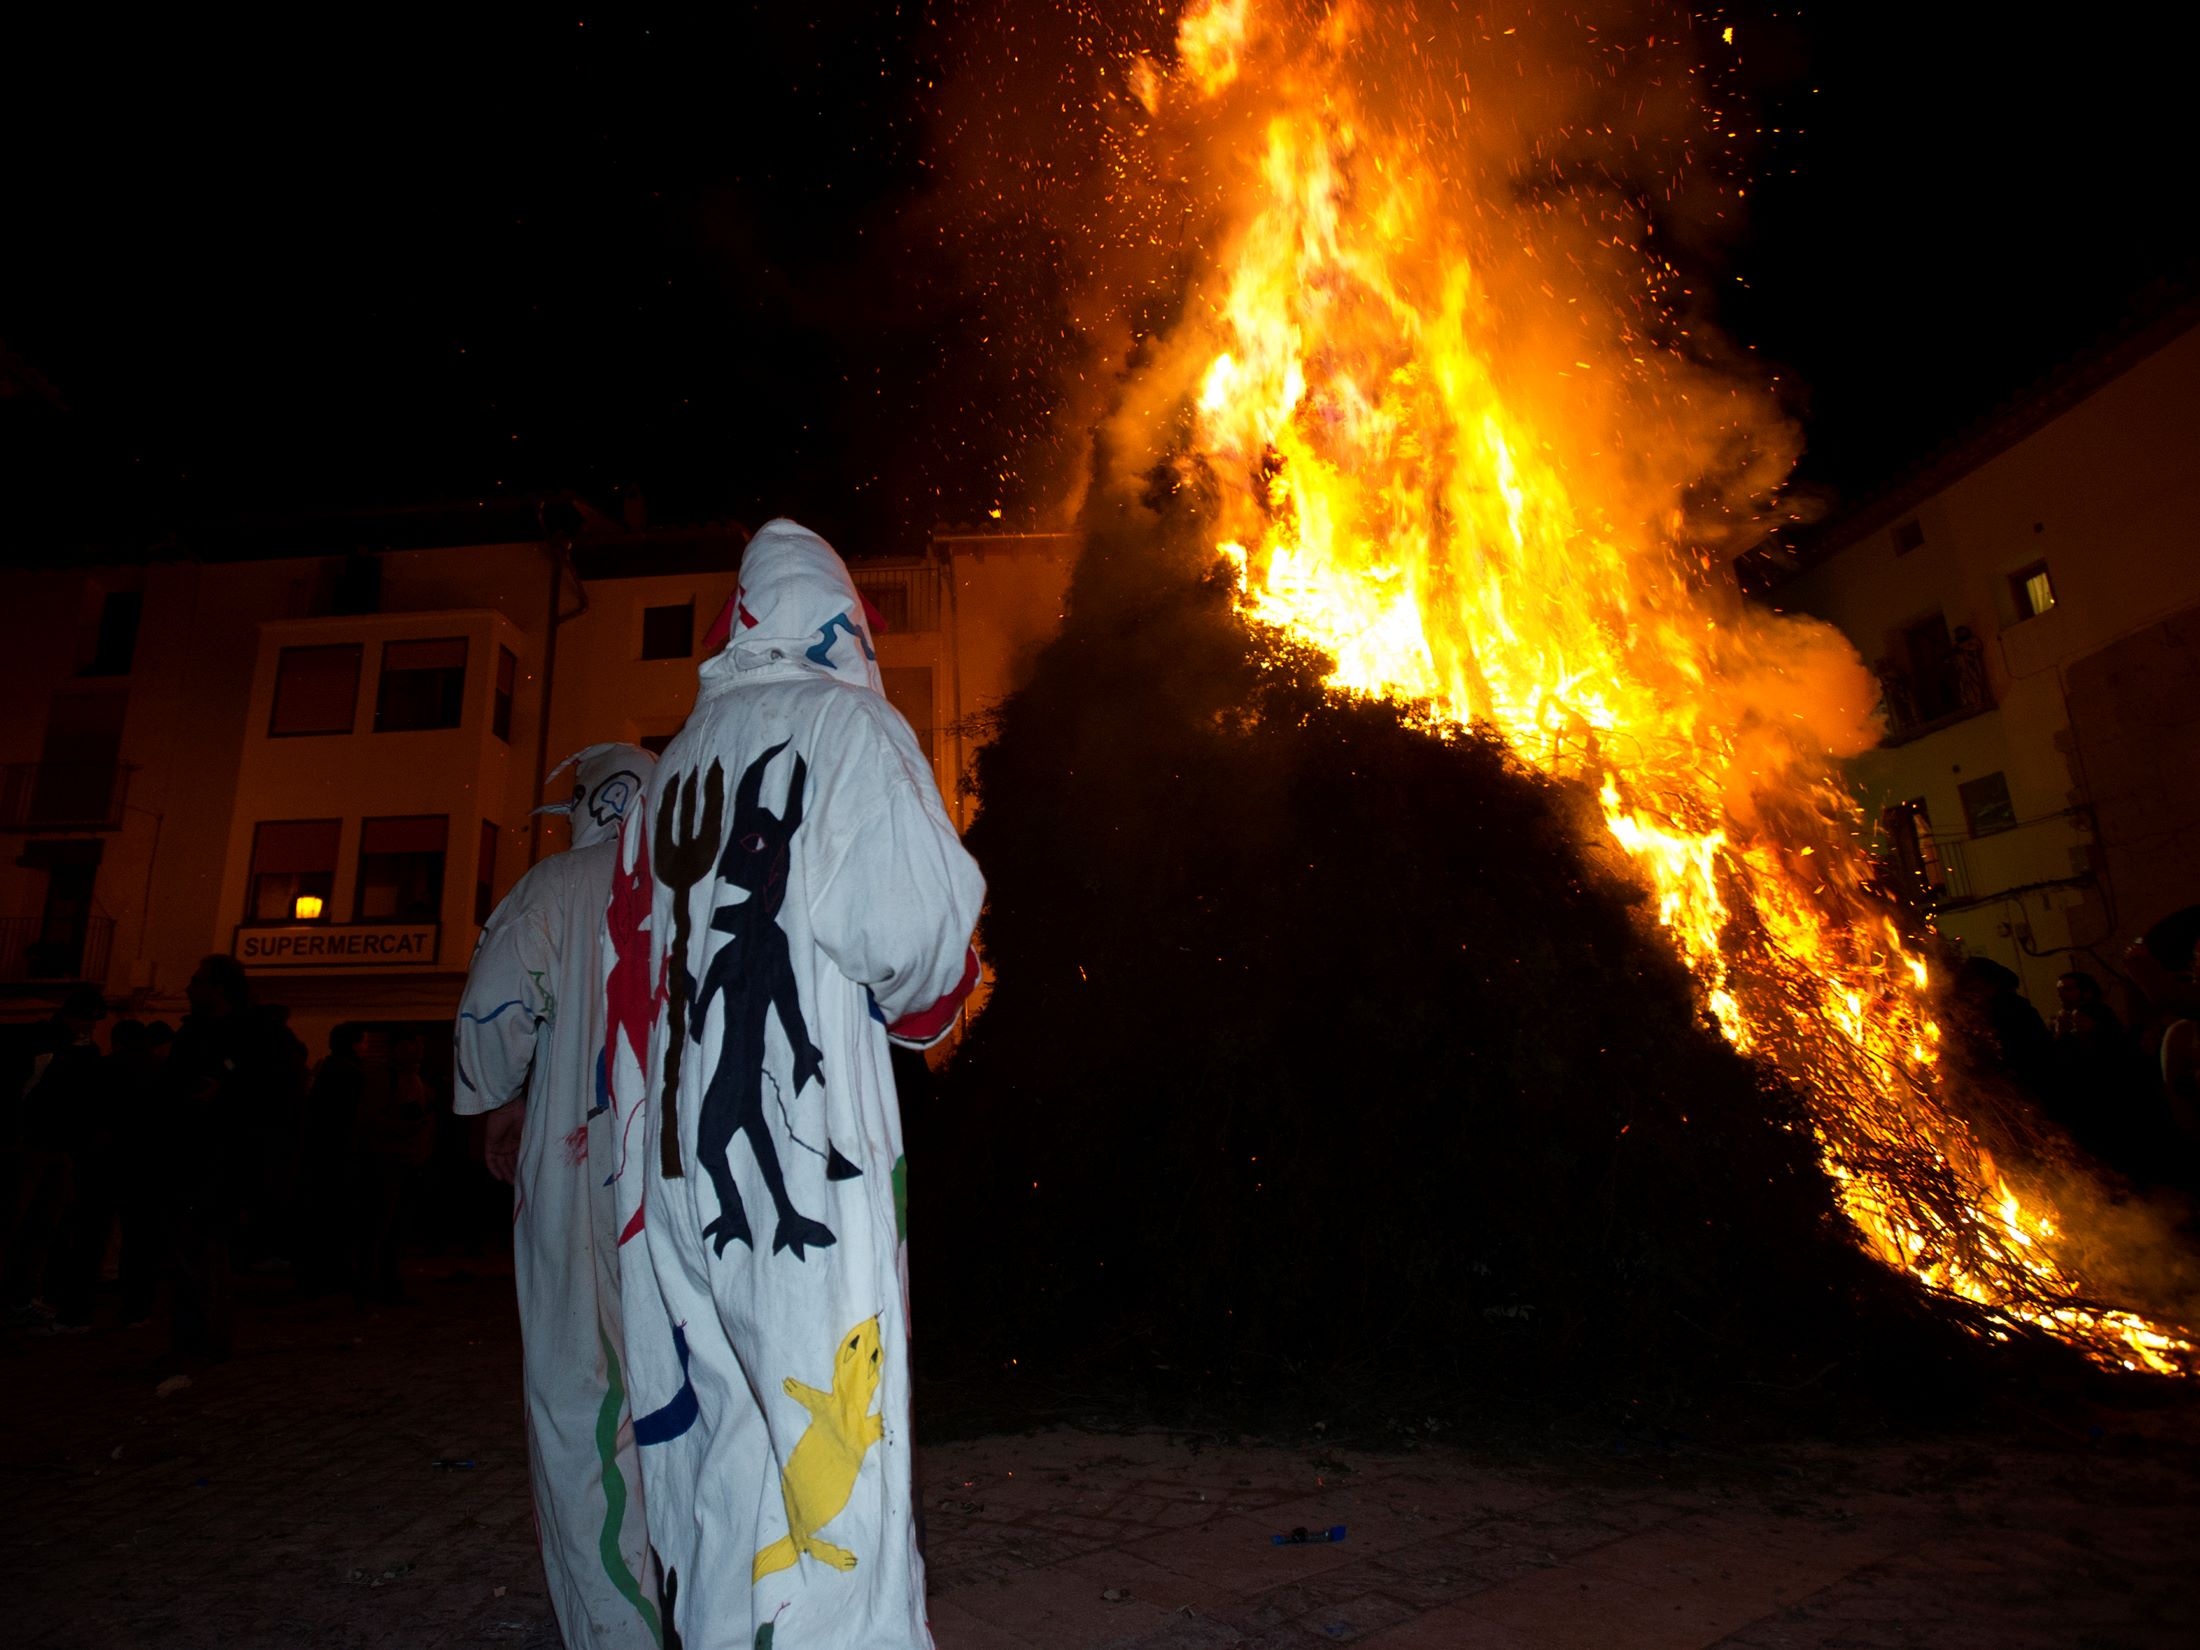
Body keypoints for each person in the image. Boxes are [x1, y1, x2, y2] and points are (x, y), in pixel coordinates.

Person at [612, 519, 983, 1650]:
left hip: (669, 1172)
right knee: (836, 1476)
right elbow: (915, 939)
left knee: (733, 1466)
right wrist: (951, 991)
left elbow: (630, 980)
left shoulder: (667, 766)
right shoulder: (851, 730)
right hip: (799, 1181)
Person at [456, 742, 661, 1650]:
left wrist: (497, 1104)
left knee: (585, 1402)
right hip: (688, 1187)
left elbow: (496, 1016)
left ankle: (619, 1627)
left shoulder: (551, 888)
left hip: (579, 1176)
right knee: (698, 1401)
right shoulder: (698, 886)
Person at [3, 985, 107, 1330]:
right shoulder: (45, 1044)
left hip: (55, 1146)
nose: (88, 1028)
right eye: (86, 1020)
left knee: (41, 1225)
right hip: (34, 1145)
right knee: (23, 1222)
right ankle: (17, 1297)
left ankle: (21, 1297)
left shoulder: (78, 1049)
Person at [297, 1023, 366, 1296]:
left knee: (324, 1217)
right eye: (363, 1042)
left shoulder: (327, 1070)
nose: (366, 1048)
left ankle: (321, 1274)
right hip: (343, 1154)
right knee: (340, 1218)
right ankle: (337, 1274)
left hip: (323, 1154)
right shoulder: (351, 1075)